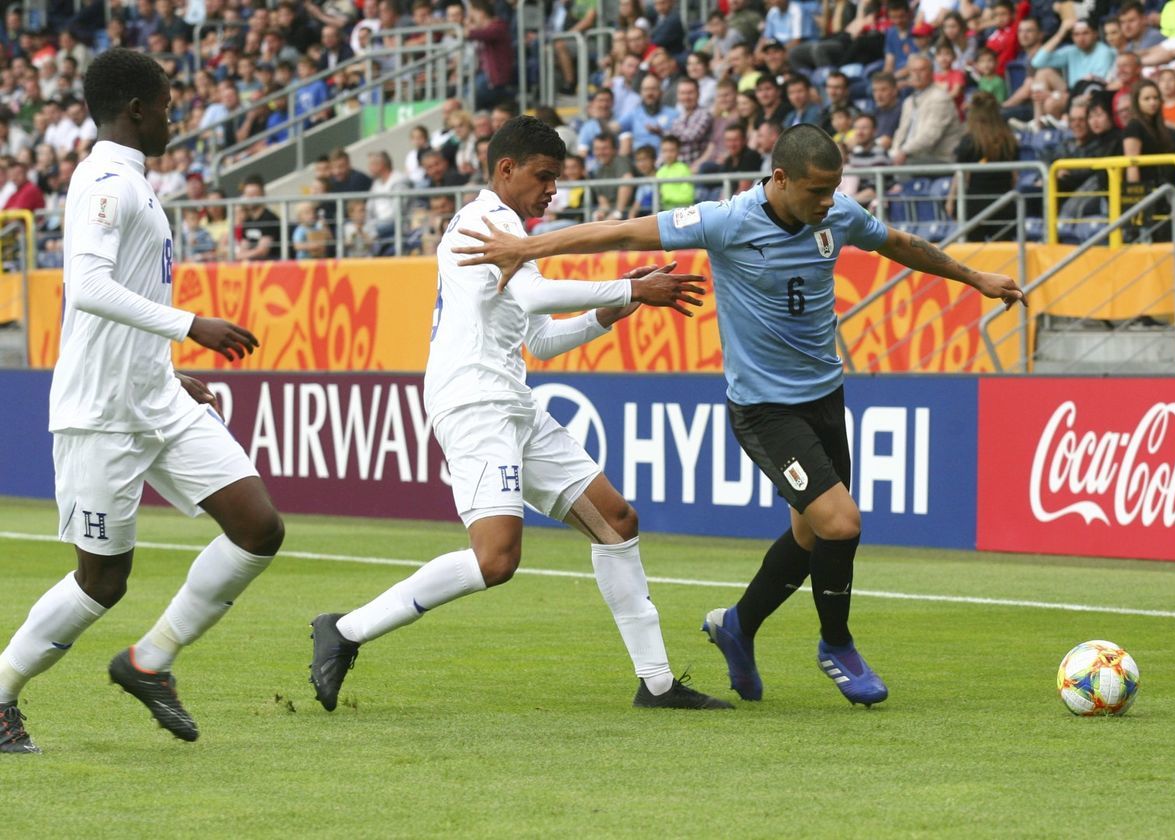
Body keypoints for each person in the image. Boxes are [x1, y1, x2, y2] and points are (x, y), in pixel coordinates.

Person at [451, 124, 1024, 706]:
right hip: (765, 409)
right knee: (841, 523)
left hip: (826, 397)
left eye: (834, 190)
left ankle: (738, 625)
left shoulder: (838, 214)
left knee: (810, 531)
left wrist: (975, 278)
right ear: (780, 180)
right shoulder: (726, 220)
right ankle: (837, 644)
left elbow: (897, 242)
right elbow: (621, 229)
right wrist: (529, 247)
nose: (828, 202)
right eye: (817, 191)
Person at [308, 116, 731, 712]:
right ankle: (345, 631)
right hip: (473, 401)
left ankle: (657, 684)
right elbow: (534, 296)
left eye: (557, 180)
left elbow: (542, 338)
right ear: (506, 169)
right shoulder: (490, 221)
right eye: (544, 177)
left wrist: (614, 311)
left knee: (617, 520)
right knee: (496, 558)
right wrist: (629, 291)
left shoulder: (509, 232)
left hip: (511, 400)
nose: (552, 191)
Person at [0, 49, 284, 755]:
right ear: (135, 108)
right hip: (100, 413)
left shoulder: (135, 183)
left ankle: (149, 660)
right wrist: (192, 325)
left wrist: (165, 364)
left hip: (155, 396)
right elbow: (90, 288)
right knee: (102, 582)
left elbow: (127, 299)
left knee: (258, 528)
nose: (172, 116)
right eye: (165, 105)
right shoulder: (103, 180)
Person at [950, 91, 1019, 240]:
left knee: (973, 256)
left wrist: (951, 201)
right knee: (1005, 255)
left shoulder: (969, 142)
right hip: (1004, 204)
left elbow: (961, 176)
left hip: (975, 206)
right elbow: (1014, 177)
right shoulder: (1009, 141)